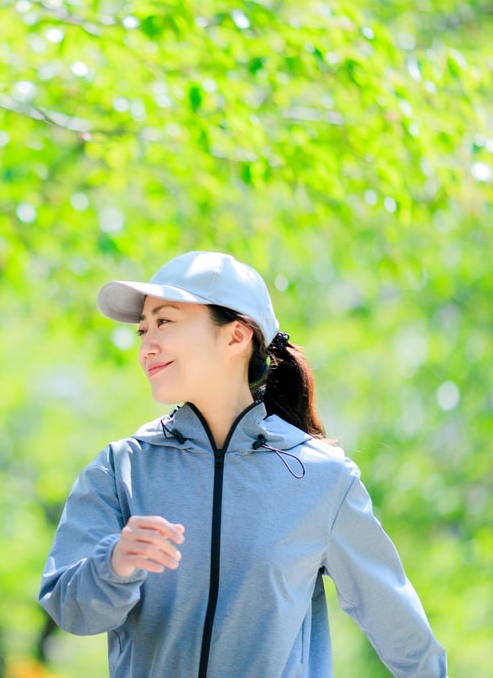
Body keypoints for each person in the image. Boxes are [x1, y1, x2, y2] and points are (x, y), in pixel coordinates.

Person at [38, 251, 447, 677]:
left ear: (235, 337)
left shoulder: (321, 478)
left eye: (165, 321)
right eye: (143, 329)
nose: (146, 346)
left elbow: (406, 637)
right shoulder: (122, 468)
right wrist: (115, 564)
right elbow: (70, 612)